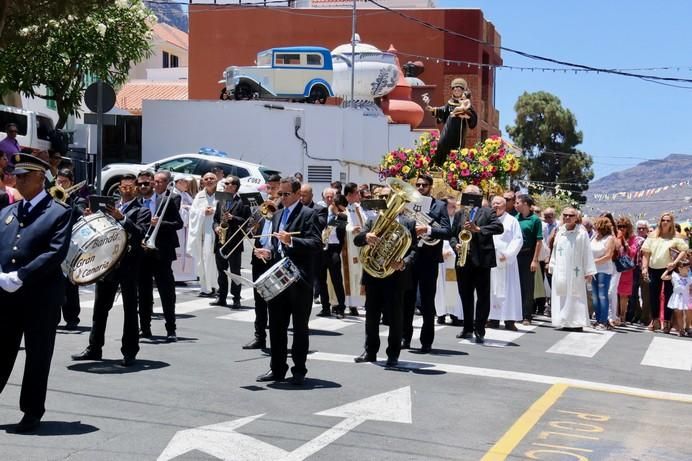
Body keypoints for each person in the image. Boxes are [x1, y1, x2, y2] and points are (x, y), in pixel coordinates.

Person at [0, 153, 72, 433]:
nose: (17, 180)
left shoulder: (59, 212)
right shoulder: (7, 212)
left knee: (37, 355)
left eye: (24, 176)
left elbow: (55, 252)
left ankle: (31, 412)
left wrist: (21, 275)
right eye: (16, 176)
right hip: (6, 295)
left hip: (41, 297)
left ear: (40, 179)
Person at [72, 175, 151, 366]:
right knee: (100, 308)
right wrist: (91, 216)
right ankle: (94, 347)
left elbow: (140, 232)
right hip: (107, 261)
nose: (126, 190)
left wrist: (122, 218)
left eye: (130, 187)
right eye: (123, 187)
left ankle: (130, 351)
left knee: (130, 309)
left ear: (135, 189)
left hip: (128, 263)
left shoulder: (142, 210)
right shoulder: (109, 207)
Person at [255, 176, 321, 385]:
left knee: (300, 328)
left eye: (285, 194)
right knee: (276, 326)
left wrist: (291, 240)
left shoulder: (309, 213)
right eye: (279, 194)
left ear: (297, 194)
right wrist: (268, 252)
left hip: (299, 280)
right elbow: (277, 248)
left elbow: (316, 243)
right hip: (279, 278)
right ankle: (277, 368)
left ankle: (299, 370)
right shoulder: (278, 214)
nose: (281, 198)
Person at [353, 203, 417, 367]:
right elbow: (357, 240)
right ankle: (370, 351)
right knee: (371, 316)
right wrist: (366, 237)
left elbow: (414, 250)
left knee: (395, 317)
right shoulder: (372, 220)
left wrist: (403, 263)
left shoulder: (408, 222)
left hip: (395, 277)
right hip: (373, 275)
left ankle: (393, 354)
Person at [402, 174, 451, 352]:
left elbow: (447, 231)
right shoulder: (408, 203)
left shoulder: (439, 205)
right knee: (406, 300)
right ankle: (405, 337)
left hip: (429, 258)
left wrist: (428, 229)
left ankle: (426, 341)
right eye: (418, 185)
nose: (421, 187)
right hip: (409, 256)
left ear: (431, 186)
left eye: (424, 185)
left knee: (427, 302)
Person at [450, 185, 503, 343]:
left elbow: (498, 228)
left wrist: (478, 229)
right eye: (466, 194)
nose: (469, 197)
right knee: (465, 295)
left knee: (482, 296)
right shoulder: (460, 214)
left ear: (479, 196)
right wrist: (455, 245)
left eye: (472, 194)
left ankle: (480, 328)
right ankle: (467, 328)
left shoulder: (487, 212)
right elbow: (452, 235)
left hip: (482, 260)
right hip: (463, 259)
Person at [138, 170, 184, 341]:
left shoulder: (168, 200)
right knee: (143, 292)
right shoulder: (140, 201)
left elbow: (178, 224)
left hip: (162, 252)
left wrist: (161, 223)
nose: (154, 184)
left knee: (167, 291)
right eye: (153, 181)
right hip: (143, 252)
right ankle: (145, 328)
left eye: (159, 181)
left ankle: (171, 329)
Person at [244, 175, 281, 350]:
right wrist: (252, 227)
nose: (271, 191)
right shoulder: (261, 207)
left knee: (275, 300)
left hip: (274, 257)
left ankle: (276, 338)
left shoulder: (283, 208)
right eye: (269, 188)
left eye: (275, 188)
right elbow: (251, 231)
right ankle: (259, 336)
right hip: (259, 256)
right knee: (259, 299)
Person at [549, 208, 596, 331]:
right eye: (565, 215)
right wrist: (552, 264)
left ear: (576, 217)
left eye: (571, 215)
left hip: (576, 270)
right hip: (561, 268)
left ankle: (576, 322)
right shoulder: (560, 231)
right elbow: (555, 249)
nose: (568, 217)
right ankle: (563, 321)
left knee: (576, 295)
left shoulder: (581, 232)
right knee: (562, 293)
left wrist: (589, 270)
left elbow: (587, 251)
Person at [641, 213, 689, 333]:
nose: (665, 222)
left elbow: (684, 251)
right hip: (653, 267)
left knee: (668, 294)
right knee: (653, 294)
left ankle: (667, 321)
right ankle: (655, 319)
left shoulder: (676, 236)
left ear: (671, 222)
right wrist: (644, 267)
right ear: (660, 221)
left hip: (669, 269)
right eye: (663, 220)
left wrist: (675, 262)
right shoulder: (652, 236)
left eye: (668, 220)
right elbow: (646, 253)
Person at [56, 169, 87, 330]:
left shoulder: (79, 199)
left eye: (64, 182)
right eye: (58, 181)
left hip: (71, 244)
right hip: (55, 243)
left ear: (71, 183)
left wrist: (68, 200)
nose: (61, 185)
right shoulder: (52, 196)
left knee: (70, 283)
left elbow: (81, 214)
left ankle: (72, 317)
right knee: (54, 281)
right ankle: (53, 317)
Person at [212, 176, 250, 308]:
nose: (224, 185)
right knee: (221, 271)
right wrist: (216, 227)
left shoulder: (243, 202)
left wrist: (233, 218)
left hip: (234, 241)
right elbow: (215, 219)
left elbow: (247, 221)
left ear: (234, 186)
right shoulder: (221, 199)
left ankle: (236, 298)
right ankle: (221, 297)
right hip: (220, 241)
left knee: (235, 272)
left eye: (227, 183)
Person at [488, 196, 523, 330]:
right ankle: (493, 319)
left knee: (509, 291)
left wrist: (508, 254)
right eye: (494, 204)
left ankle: (509, 320)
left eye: (499, 204)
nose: (496, 206)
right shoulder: (488, 219)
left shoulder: (512, 221)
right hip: (491, 260)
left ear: (505, 206)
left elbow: (517, 240)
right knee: (492, 290)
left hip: (506, 262)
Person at [426, 78, 478, 165]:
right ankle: (439, 164)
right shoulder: (450, 103)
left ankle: (453, 166)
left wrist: (467, 115)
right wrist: (433, 109)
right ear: (452, 90)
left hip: (458, 130)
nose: (457, 91)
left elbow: (473, 116)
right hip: (448, 129)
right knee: (442, 144)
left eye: (459, 89)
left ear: (463, 91)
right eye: (455, 89)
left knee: (456, 149)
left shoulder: (465, 103)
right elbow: (443, 111)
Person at [188, 172, 220, 297]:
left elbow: (228, 209)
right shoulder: (199, 196)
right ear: (202, 181)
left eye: (212, 178)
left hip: (215, 232)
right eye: (206, 179)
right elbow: (193, 213)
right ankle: (205, 287)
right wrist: (203, 212)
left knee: (214, 261)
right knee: (202, 260)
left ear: (216, 180)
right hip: (202, 233)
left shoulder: (222, 194)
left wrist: (215, 211)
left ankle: (216, 286)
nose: (209, 181)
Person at [300, 183, 328, 311]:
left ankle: (326, 306)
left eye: (304, 196)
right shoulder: (296, 208)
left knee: (320, 280)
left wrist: (307, 214)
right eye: (300, 195)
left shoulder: (319, 209)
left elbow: (321, 224)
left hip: (314, 252)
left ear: (311, 195)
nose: (301, 198)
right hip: (299, 249)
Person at [515, 194, 543, 325]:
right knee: (516, 285)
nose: (516, 205)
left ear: (525, 204)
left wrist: (535, 260)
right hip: (515, 256)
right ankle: (517, 313)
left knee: (527, 286)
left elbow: (538, 241)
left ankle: (527, 315)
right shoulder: (515, 218)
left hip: (528, 255)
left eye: (518, 202)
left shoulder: (535, 220)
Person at [435, 197, 463, 325]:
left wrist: (452, 251)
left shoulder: (457, 219)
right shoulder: (440, 218)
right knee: (440, 287)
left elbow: (455, 237)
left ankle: (453, 313)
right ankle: (440, 313)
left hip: (452, 258)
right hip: (441, 258)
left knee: (452, 287)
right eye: (452, 206)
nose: (454, 209)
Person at [342, 182, 368, 315]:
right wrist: (352, 229)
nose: (359, 195)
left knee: (361, 274)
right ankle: (351, 304)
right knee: (351, 275)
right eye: (357, 193)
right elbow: (340, 226)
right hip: (350, 246)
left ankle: (361, 302)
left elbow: (366, 221)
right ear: (349, 195)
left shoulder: (359, 208)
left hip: (362, 245)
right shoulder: (343, 208)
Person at [590, 217, 616, 330]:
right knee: (595, 296)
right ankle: (598, 319)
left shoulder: (609, 238)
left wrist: (593, 262)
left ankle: (604, 321)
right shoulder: (594, 237)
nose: (594, 227)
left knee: (602, 295)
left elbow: (608, 255)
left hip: (604, 270)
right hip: (593, 270)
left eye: (596, 225)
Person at [615, 217, 638, 325]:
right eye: (619, 226)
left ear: (628, 228)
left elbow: (632, 253)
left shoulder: (633, 239)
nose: (621, 228)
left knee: (624, 294)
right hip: (614, 268)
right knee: (614, 292)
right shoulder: (614, 237)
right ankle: (614, 315)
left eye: (624, 226)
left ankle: (622, 316)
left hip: (626, 269)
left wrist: (624, 242)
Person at [661, 261, 691, 336]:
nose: (688, 269)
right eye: (686, 268)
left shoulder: (690, 278)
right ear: (680, 268)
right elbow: (663, 277)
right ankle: (681, 329)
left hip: (686, 297)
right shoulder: (675, 275)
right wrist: (668, 269)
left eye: (688, 268)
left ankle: (687, 327)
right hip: (677, 297)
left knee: (688, 312)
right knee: (678, 313)